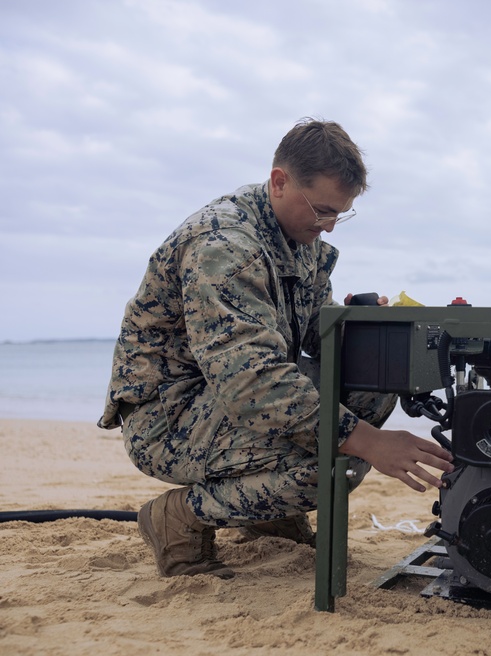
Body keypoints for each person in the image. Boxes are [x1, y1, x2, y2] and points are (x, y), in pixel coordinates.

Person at [98, 118, 454, 579]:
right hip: (168, 418)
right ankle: (180, 516)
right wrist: (371, 442)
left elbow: (311, 337)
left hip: (224, 402)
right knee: (328, 466)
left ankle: (267, 511)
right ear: (279, 182)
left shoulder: (296, 235)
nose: (329, 227)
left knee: (373, 380)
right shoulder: (223, 246)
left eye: (339, 215)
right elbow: (255, 383)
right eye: (322, 211)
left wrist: (360, 331)